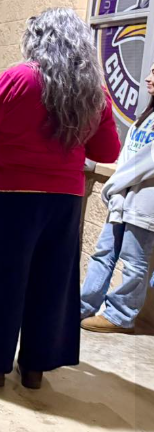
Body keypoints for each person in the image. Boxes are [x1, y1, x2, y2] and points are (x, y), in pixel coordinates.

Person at [0, 8, 120, 390]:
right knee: (52, 279)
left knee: (2, 276)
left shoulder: (21, 77)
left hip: (11, 194)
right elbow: (109, 149)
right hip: (65, 198)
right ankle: (36, 366)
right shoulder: (93, 92)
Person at [80, 60, 154, 334]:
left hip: (145, 202)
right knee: (104, 252)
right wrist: (117, 189)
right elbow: (127, 155)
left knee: (135, 261)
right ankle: (84, 305)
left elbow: (147, 162)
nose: (147, 77)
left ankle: (121, 316)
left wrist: (113, 185)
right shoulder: (146, 114)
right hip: (123, 197)